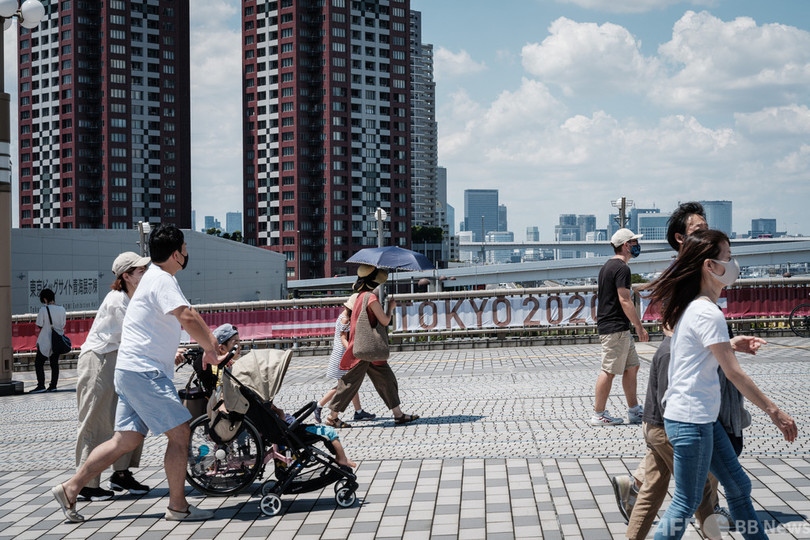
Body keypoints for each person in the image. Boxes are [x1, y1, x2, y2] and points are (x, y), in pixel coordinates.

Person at [51, 225, 229, 524]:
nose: (187, 254)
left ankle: (70, 488)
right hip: (144, 372)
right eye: (185, 249)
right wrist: (212, 349)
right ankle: (177, 506)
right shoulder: (161, 279)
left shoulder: (157, 279)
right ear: (177, 253)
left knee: (125, 439)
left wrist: (208, 344)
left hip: (132, 370)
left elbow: (188, 314)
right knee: (181, 432)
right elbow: (186, 316)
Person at [648, 229, 796, 539]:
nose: (733, 263)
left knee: (739, 486)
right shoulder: (706, 311)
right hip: (692, 421)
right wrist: (774, 411)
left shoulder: (698, 307)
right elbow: (734, 374)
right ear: (710, 266)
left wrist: (730, 344)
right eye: (727, 258)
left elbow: (700, 352)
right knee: (686, 502)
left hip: (699, 419)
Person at [74, 252, 151, 502]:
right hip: (100, 360)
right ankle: (86, 483)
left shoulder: (136, 297)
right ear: (126, 276)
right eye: (141, 270)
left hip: (120, 361)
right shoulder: (117, 299)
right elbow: (137, 333)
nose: (146, 272)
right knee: (96, 422)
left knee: (128, 419)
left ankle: (120, 473)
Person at [325, 264, 419, 427]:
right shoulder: (371, 297)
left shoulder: (360, 296)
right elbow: (384, 320)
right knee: (349, 383)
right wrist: (390, 308)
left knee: (386, 379)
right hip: (367, 349)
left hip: (363, 347)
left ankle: (398, 414)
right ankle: (332, 417)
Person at [590, 228, 649, 426]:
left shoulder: (608, 266)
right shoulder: (622, 268)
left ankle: (634, 410)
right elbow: (625, 300)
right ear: (626, 246)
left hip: (618, 327)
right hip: (615, 327)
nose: (636, 246)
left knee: (632, 366)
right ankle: (599, 414)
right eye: (634, 242)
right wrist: (639, 327)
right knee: (609, 370)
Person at [314, 295, 375, 427]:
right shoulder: (345, 319)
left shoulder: (342, 316)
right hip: (342, 355)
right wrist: (353, 351)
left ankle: (358, 411)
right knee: (344, 385)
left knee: (351, 383)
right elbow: (343, 339)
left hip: (341, 354)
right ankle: (319, 405)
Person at [31, 288, 67, 393]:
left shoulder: (43, 309)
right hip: (57, 340)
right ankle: (53, 385)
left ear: (45, 299)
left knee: (39, 362)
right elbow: (63, 324)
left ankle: (41, 385)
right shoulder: (62, 309)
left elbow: (39, 324)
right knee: (54, 363)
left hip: (45, 340)